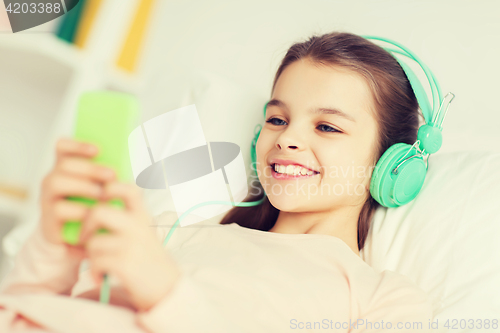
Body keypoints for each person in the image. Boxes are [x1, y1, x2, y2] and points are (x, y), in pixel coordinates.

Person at [0, 31, 443, 332]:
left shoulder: (384, 298)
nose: (287, 137)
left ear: (394, 164)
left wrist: (165, 292)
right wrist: (55, 247)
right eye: (276, 119)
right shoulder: (170, 230)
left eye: (327, 127)